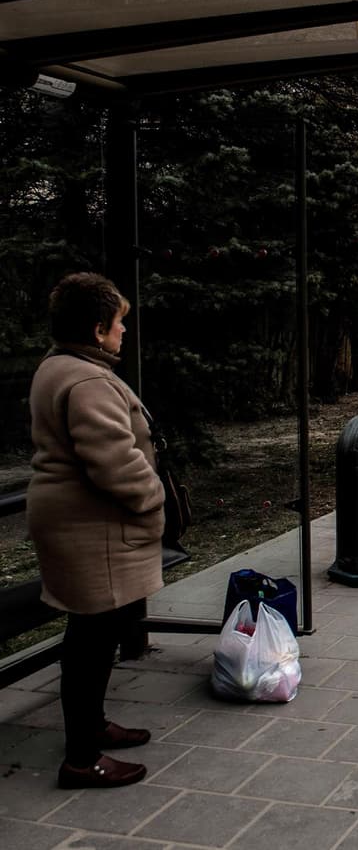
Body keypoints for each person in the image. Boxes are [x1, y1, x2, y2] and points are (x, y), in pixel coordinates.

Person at [27, 272, 165, 789]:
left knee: (92, 635)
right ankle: (82, 759)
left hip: (77, 524)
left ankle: (92, 726)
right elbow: (112, 459)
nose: (123, 332)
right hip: (93, 528)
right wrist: (153, 498)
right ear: (97, 327)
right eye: (119, 324)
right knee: (90, 640)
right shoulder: (87, 380)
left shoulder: (58, 366)